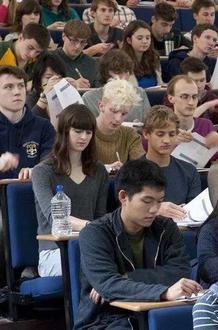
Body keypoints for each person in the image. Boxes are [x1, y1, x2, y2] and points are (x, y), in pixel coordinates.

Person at [76, 159, 202, 329]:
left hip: (158, 313)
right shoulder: (94, 233)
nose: (154, 209)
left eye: (159, 201)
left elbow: (180, 271)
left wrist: (126, 277)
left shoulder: (166, 227)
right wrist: (164, 292)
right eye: (147, 201)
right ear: (123, 197)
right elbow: (108, 284)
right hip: (105, 320)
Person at [32, 105, 109, 276]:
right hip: (54, 252)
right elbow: (55, 218)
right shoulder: (42, 171)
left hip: (90, 248)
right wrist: (89, 226)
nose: (84, 137)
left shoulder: (99, 171)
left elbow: (100, 215)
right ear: (65, 131)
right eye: (78, 131)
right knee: (91, 269)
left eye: (88, 132)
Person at [141, 106, 201, 220]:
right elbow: (125, 212)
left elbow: (195, 213)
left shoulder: (190, 171)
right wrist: (157, 209)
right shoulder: (131, 172)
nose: (167, 140)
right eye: (160, 134)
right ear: (146, 134)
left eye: (172, 134)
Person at [0, 65, 55, 180]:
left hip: (31, 194)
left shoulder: (44, 127)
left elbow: (51, 161)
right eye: (9, 87)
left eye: (21, 86)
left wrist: (37, 170)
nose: (17, 92)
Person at [81, 49, 151, 122]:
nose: (123, 77)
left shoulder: (140, 93)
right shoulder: (89, 98)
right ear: (106, 74)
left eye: (126, 71)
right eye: (118, 72)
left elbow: (148, 125)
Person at [166, 75, 218, 160]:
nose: (191, 102)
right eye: (184, 97)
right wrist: (171, 145)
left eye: (194, 97)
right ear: (171, 98)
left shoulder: (206, 125)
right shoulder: (161, 128)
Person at [93, 79, 145, 169]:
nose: (118, 119)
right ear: (101, 106)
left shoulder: (131, 135)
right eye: (114, 111)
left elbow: (141, 169)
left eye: (124, 114)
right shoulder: (85, 132)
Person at [163, 57, 218, 124]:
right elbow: (177, 123)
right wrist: (206, 106)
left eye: (202, 80)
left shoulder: (210, 95)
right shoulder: (175, 96)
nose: (199, 85)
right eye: (194, 81)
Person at [28, 53, 75, 120]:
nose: (54, 81)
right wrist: (44, 98)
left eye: (59, 77)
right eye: (48, 77)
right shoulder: (31, 99)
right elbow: (28, 124)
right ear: (39, 80)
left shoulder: (64, 97)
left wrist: (74, 94)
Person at [53, 20, 98, 88]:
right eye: (74, 40)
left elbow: (99, 89)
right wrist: (72, 85)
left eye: (82, 42)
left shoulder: (92, 63)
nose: (78, 46)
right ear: (64, 36)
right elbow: (44, 85)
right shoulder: (50, 59)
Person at [121, 20, 163, 89]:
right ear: (129, 40)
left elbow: (159, 83)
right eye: (139, 38)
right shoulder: (121, 60)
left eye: (147, 38)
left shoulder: (154, 57)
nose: (145, 41)